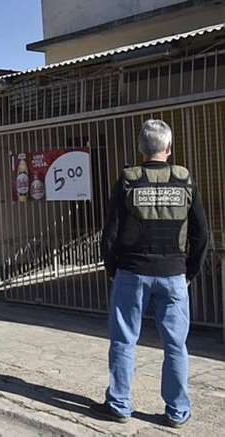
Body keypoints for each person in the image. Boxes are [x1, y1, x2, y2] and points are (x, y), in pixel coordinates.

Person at [94, 120, 209, 428]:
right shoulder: (185, 181)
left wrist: (112, 270)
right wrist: (190, 271)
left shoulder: (128, 181)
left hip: (131, 273)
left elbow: (109, 234)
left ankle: (119, 405)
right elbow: (202, 235)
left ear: (141, 149)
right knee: (175, 345)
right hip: (173, 275)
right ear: (169, 149)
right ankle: (177, 412)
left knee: (123, 340)